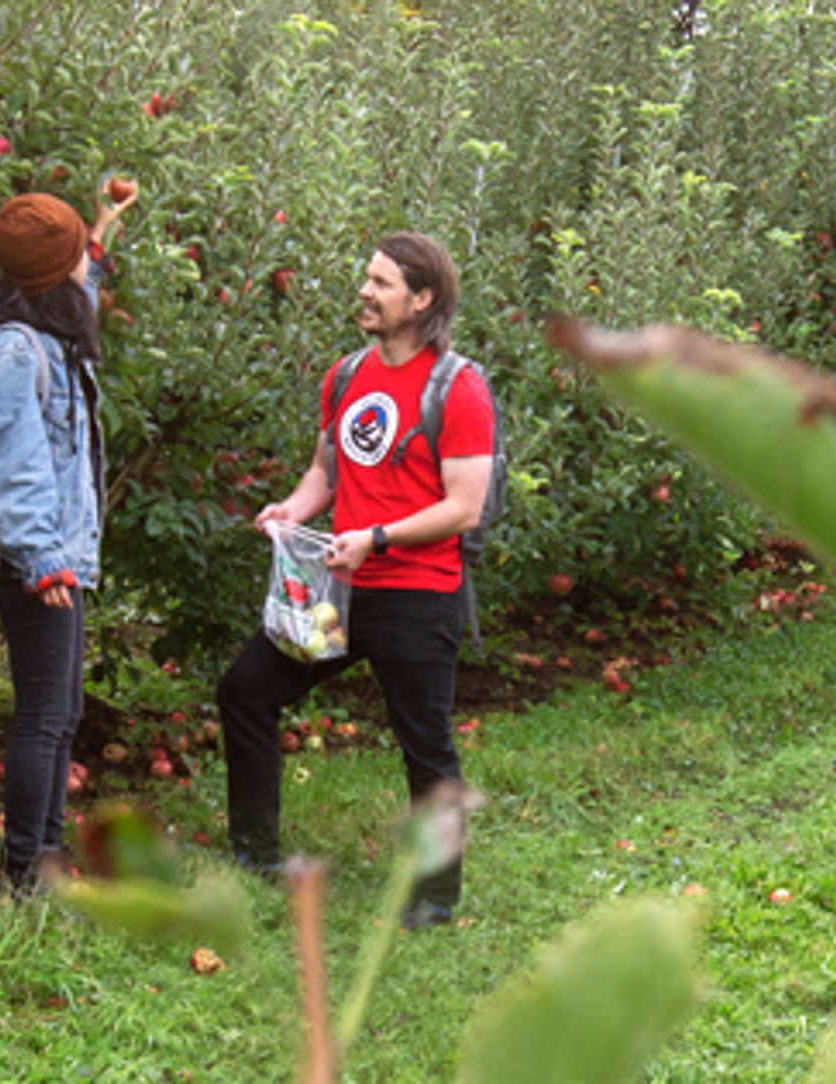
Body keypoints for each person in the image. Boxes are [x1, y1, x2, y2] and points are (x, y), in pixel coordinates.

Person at [217, 231, 493, 930]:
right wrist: (294, 507)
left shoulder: (457, 388)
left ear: (422, 299)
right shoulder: (345, 376)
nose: (365, 293)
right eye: (366, 279)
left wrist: (377, 537)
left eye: (382, 283)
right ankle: (254, 853)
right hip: (337, 589)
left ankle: (435, 896)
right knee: (246, 691)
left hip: (417, 594)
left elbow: (464, 506)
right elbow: (327, 471)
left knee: (425, 742)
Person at [0, 180, 137, 897]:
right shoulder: (13, 351)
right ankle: (24, 872)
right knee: (42, 715)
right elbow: (15, 466)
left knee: (62, 710)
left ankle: (48, 853)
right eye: (74, 255)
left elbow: (81, 289)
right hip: (35, 561)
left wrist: (100, 230)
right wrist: (41, 560)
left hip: (57, 554)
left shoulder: (48, 325)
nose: (82, 271)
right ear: (50, 269)